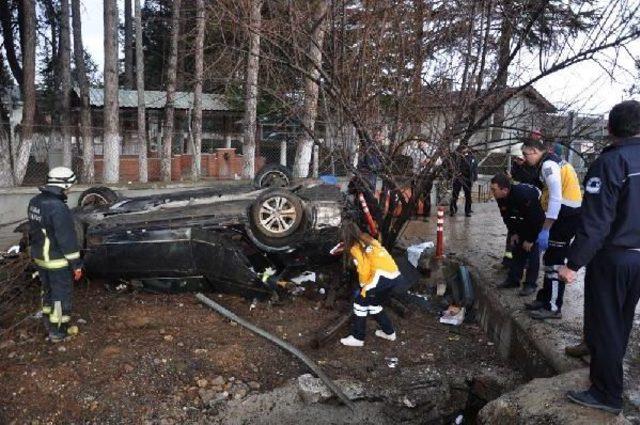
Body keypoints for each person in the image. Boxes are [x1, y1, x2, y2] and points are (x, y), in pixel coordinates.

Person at [558, 100, 640, 415]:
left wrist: (573, 263)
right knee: (620, 319)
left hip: (615, 257)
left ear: (609, 129)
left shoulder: (611, 163)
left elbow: (596, 222)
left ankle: (607, 392)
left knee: (605, 320)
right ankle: (604, 365)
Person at [520, 138, 582, 320]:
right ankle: (544, 298)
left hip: (564, 216)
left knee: (554, 261)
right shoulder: (553, 160)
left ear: (534, 151)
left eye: (525, 154)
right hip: (566, 214)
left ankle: (553, 307)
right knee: (549, 258)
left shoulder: (548, 165)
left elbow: (555, 196)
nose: (524, 158)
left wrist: (547, 226)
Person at [28, 167, 83, 343]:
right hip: (57, 260)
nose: (71, 189)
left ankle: (47, 320)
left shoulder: (35, 201)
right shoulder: (58, 208)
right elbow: (66, 239)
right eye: (70, 185)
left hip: (40, 257)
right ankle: (58, 331)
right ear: (63, 184)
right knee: (60, 296)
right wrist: (76, 264)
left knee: (47, 290)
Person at [340, 222, 404, 347]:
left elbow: (363, 269)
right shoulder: (369, 240)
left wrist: (364, 286)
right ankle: (389, 333)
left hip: (381, 278)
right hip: (395, 275)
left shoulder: (355, 247)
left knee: (359, 303)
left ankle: (358, 338)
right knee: (374, 304)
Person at [490, 173, 544, 297]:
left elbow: (537, 219)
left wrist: (530, 239)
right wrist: (513, 232)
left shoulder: (523, 196)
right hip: (521, 220)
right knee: (516, 249)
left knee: (532, 251)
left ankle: (530, 284)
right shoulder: (501, 198)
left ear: (505, 189)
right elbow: (507, 216)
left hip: (536, 220)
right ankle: (513, 280)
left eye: (494, 189)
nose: (492, 193)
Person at [449, 145, 478, 217]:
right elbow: (452, 166)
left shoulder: (472, 158)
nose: (464, 151)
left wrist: (474, 178)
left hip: (467, 179)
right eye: (463, 149)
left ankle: (467, 211)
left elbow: (474, 168)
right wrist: (455, 173)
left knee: (468, 195)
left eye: (465, 149)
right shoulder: (456, 157)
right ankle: (452, 209)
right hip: (458, 178)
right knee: (455, 194)